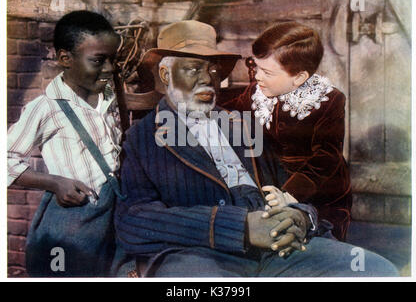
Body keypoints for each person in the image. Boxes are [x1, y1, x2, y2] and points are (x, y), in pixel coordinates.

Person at [114, 20, 398, 277]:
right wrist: (240, 228)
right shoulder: (143, 136)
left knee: (376, 270)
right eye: (193, 69)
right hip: (199, 254)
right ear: (165, 75)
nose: (208, 79)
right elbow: (133, 220)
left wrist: (301, 216)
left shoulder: (243, 124)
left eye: (214, 69)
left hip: (276, 248)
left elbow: (285, 186)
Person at [7, 10, 124, 276]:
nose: (109, 68)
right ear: (65, 59)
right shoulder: (46, 108)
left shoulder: (109, 96)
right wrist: (54, 182)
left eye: (112, 59)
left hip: (109, 221)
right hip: (71, 224)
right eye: (98, 60)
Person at [222, 22, 352, 241]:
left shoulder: (329, 100)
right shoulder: (256, 92)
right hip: (272, 183)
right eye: (255, 66)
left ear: (299, 78)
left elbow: (327, 156)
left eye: (267, 72)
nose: (257, 76)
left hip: (319, 190)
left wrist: (291, 194)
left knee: (318, 246)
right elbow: (228, 110)